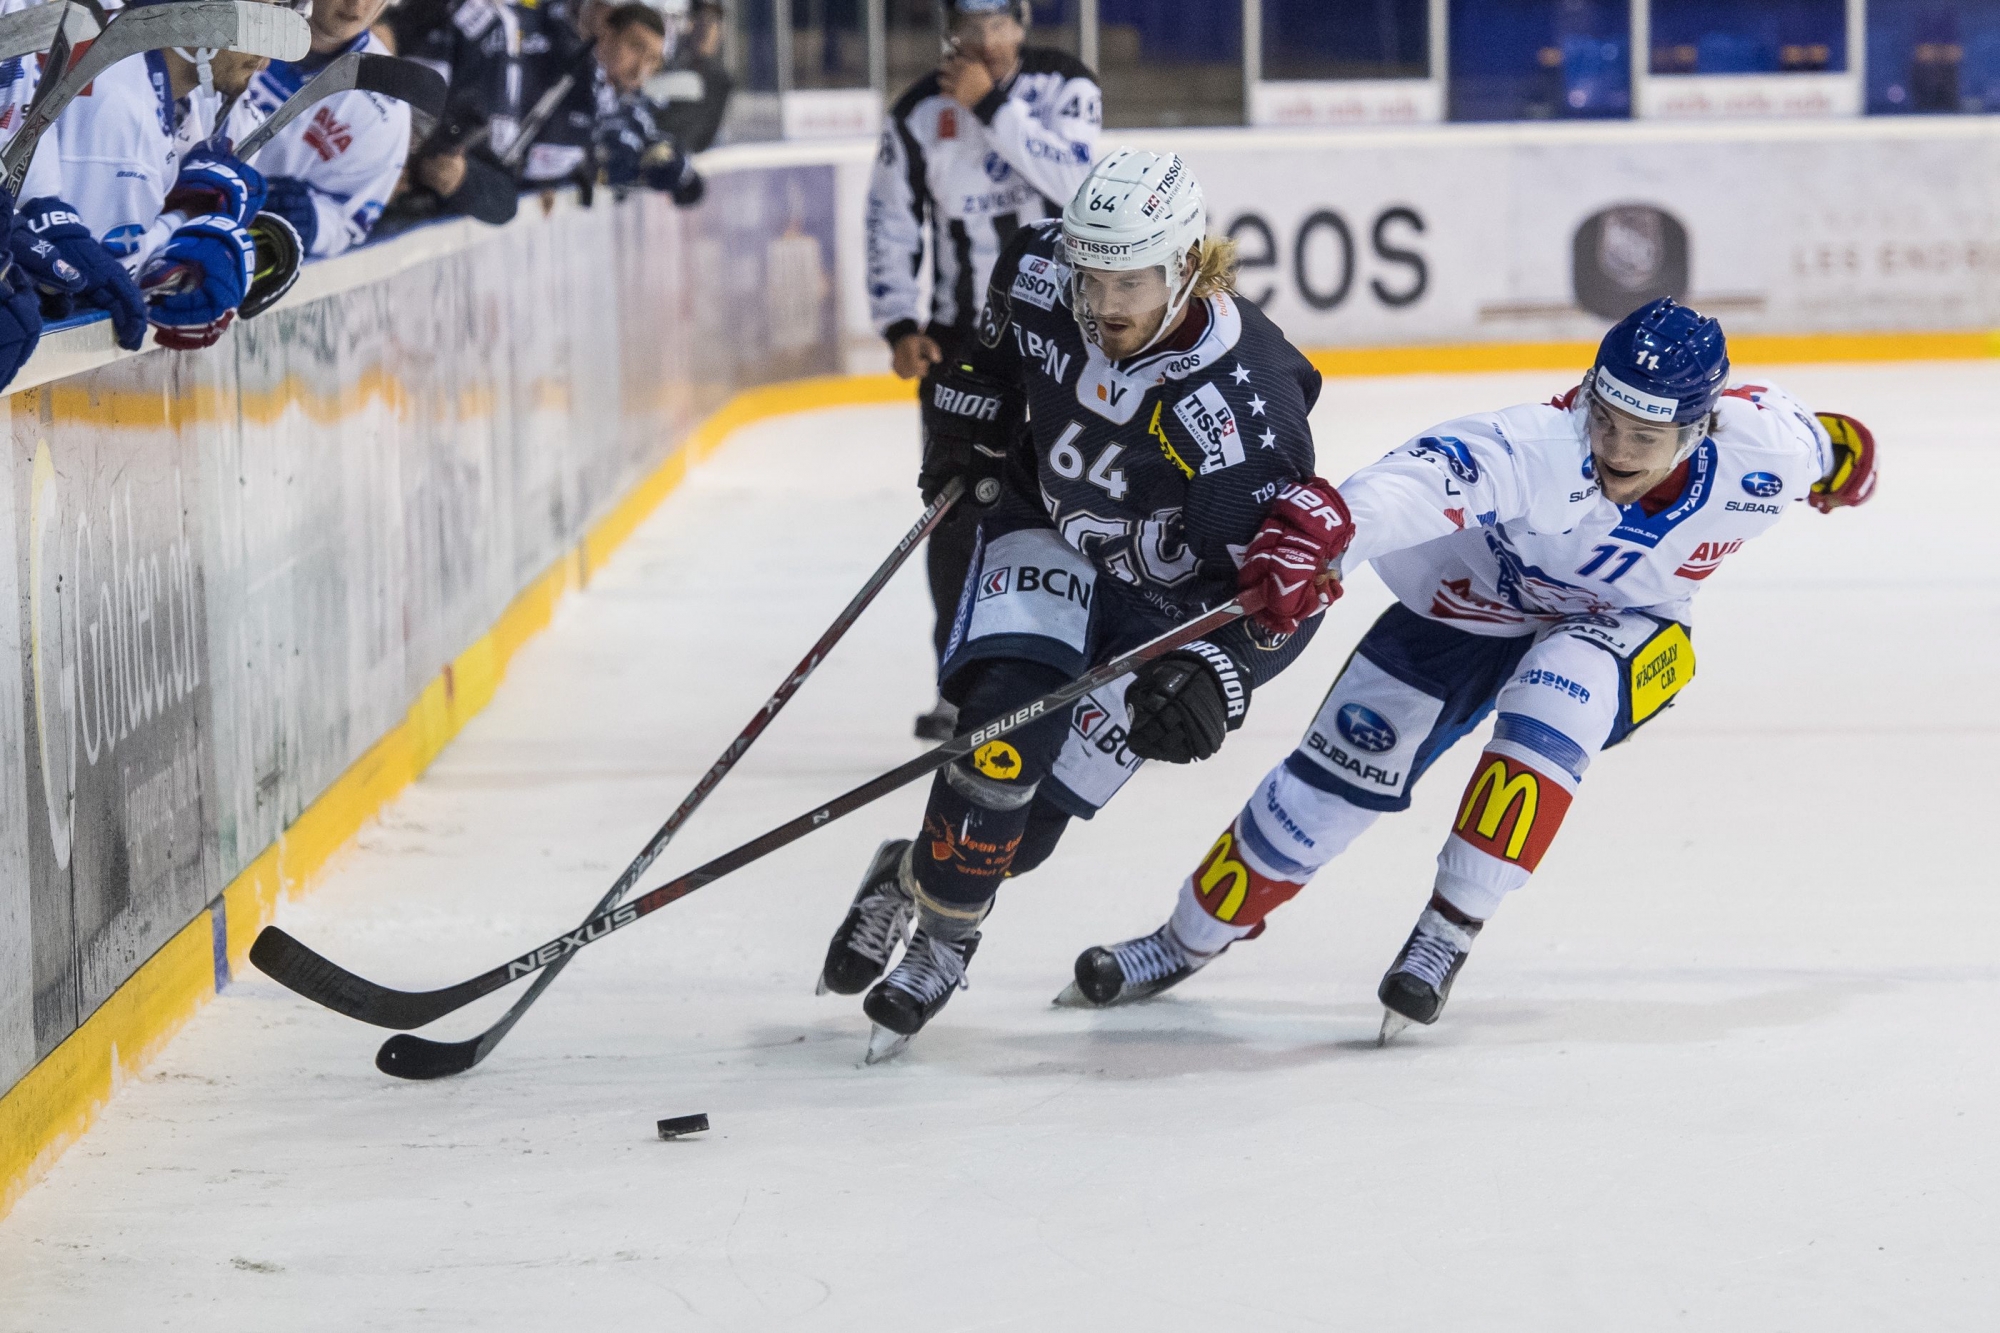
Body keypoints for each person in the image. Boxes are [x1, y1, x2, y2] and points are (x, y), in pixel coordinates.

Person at [1064, 298, 1880, 1042]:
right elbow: (1428, 476)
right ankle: (1182, 941)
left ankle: (1447, 932)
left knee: (1555, 706)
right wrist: (1331, 526)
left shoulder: (1764, 451)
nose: (1616, 449)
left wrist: (1854, 469)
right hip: (1463, 613)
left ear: (1701, 430)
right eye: (1608, 418)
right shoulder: (1542, 445)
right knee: (1323, 788)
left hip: (1628, 627)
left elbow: (1835, 445)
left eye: (1646, 436)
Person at [818, 149, 1352, 1062]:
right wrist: (967, 417)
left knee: (1021, 837)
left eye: (1132, 281)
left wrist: (1217, 671)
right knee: (998, 741)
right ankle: (945, 948)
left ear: (1187, 264)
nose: (1104, 303)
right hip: (1047, 531)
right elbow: (996, 352)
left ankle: (908, 878)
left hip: (1162, 608)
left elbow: (1285, 591)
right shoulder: (1038, 270)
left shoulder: (1244, 410)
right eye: (1092, 275)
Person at [866, 0, 1102, 739]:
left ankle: (1092, 667)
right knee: (958, 510)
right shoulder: (916, 113)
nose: (986, 41)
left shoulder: (1066, 86)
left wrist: (993, 106)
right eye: (971, 27)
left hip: (1068, 334)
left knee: (1083, 498)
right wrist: (899, 322)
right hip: (961, 341)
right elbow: (889, 220)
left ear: (1023, 22)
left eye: (998, 24)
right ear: (950, 31)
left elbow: (1082, 188)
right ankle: (960, 684)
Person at [39, 0, 288, 347]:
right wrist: (190, 217)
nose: (267, 57)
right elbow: (104, 279)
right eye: (258, 16)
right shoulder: (126, 113)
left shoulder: (154, 81)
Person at [236, 0, 413, 259]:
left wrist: (315, 221)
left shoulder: (386, 106)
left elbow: (352, 221)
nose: (357, 4)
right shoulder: (241, 16)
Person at [650, 0, 729, 155]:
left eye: (712, 21)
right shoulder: (667, 66)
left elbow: (693, 133)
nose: (705, 28)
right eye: (699, 19)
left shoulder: (718, 80)